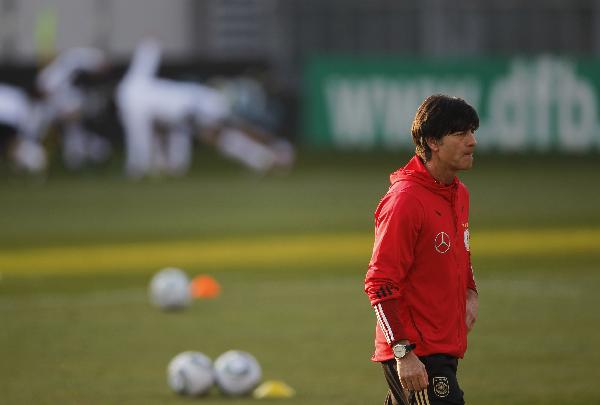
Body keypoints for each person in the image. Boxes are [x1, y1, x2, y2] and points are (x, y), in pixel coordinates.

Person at [364, 94, 480, 405]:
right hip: (418, 351)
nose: (472, 142)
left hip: (444, 343)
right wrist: (403, 352)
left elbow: (460, 252)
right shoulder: (405, 201)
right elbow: (379, 282)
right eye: (460, 133)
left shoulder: (458, 193)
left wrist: (471, 290)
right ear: (432, 142)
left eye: (473, 131)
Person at [116, 39, 294, 179]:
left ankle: (275, 150)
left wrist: (136, 168)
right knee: (225, 132)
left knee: (230, 129)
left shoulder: (133, 98)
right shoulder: (136, 87)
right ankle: (265, 157)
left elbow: (139, 137)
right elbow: (148, 52)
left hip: (195, 103)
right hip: (192, 104)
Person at [36, 47, 112, 169]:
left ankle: (84, 161)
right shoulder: (51, 80)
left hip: (72, 115)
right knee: (75, 145)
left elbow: (78, 57)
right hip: (59, 114)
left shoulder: (68, 70)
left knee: (78, 141)